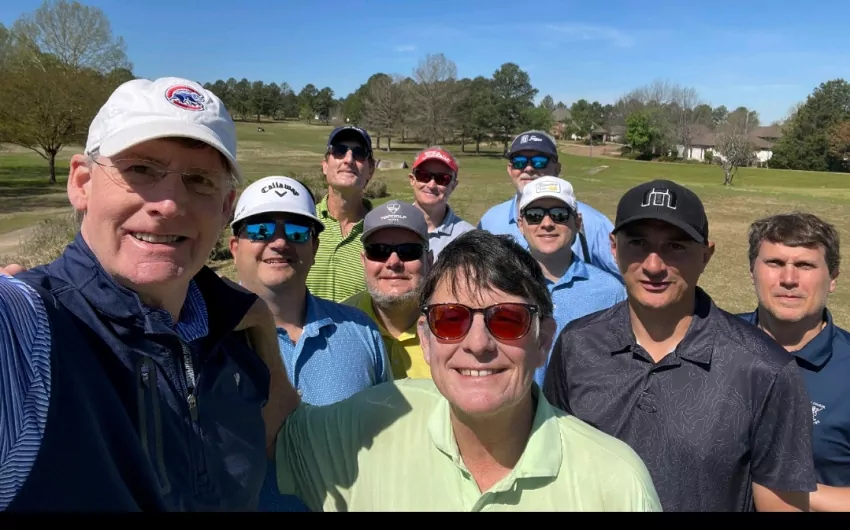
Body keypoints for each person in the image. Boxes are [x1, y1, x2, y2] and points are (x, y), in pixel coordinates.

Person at [0, 77, 294, 511]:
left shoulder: (232, 335)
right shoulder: (32, 328)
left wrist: (262, 326)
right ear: (82, 182)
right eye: (140, 169)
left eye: (199, 180)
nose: (170, 203)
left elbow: (279, 432)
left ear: (226, 206)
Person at [272, 230, 663, 511]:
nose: (477, 344)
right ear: (425, 339)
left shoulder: (615, 483)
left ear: (544, 341)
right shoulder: (374, 423)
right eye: (450, 319)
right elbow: (273, 432)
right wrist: (255, 323)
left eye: (508, 320)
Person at [542, 179, 818, 512]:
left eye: (676, 247)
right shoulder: (576, 345)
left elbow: (782, 507)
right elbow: (552, 471)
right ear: (614, 248)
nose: (654, 266)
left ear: (706, 254)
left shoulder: (765, 369)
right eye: (639, 243)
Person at [228, 175, 393, 512]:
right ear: (234, 247)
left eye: (297, 232)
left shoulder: (361, 330)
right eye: (260, 230)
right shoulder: (202, 340)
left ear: (315, 248)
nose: (279, 243)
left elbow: (387, 446)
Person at [737, 212, 850, 512]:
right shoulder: (711, 343)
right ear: (752, 270)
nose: (788, 279)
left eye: (805, 265)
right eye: (774, 263)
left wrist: (779, 490)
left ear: (833, 278)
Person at [516, 176, 625, 387]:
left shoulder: (610, 292)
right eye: (535, 215)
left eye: (559, 215)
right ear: (521, 224)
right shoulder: (501, 284)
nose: (547, 224)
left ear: (577, 222)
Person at [476, 130, 621, 281]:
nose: (529, 168)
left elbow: (625, 277)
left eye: (539, 161)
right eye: (519, 162)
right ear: (510, 169)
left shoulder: (593, 222)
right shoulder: (490, 221)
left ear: (557, 168)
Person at [343, 200, 433, 380]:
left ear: (429, 261)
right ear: (363, 261)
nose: (393, 262)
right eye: (378, 250)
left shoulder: (453, 329)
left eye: (408, 250)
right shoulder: (338, 325)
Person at [305, 126, 376, 302]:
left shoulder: (380, 232)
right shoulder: (303, 223)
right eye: (339, 151)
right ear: (324, 165)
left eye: (359, 153)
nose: (349, 159)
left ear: (371, 169)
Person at [408, 146, 475, 258]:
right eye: (423, 176)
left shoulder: (469, 238)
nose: (431, 185)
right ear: (412, 180)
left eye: (442, 179)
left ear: (453, 185)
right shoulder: (392, 227)